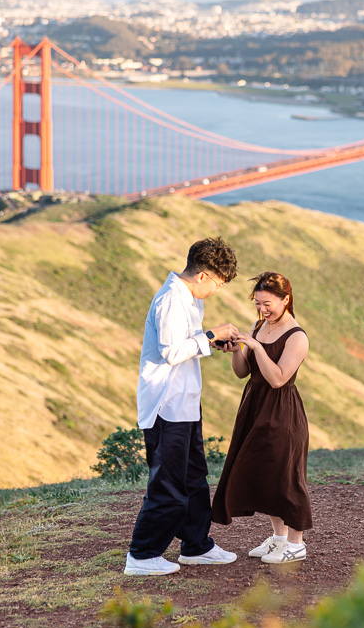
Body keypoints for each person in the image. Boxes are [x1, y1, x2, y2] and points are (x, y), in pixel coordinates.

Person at [124, 237, 241, 576]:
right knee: (168, 484)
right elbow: (171, 352)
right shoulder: (171, 300)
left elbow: (187, 347)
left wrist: (212, 341)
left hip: (185, 402)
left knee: (193, 478)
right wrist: (208, 336)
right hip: (165, 405)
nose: (216, 291)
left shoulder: (190, 299)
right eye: (217, 284)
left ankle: (196, 546)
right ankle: (142, 555)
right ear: (202, 275)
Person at [211, 271, 313, 564]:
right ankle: (278, 539)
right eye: (258, 303)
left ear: (286, 300)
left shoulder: (297, 336)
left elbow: (278, 378)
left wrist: (255, 346)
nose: (262, 309)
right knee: (265, 473)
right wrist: (236, 351)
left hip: (282, 411)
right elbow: (244, 372)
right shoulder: (258, 326)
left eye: (268, 303)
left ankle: (296, 543)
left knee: (286, 476)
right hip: (254, 406)